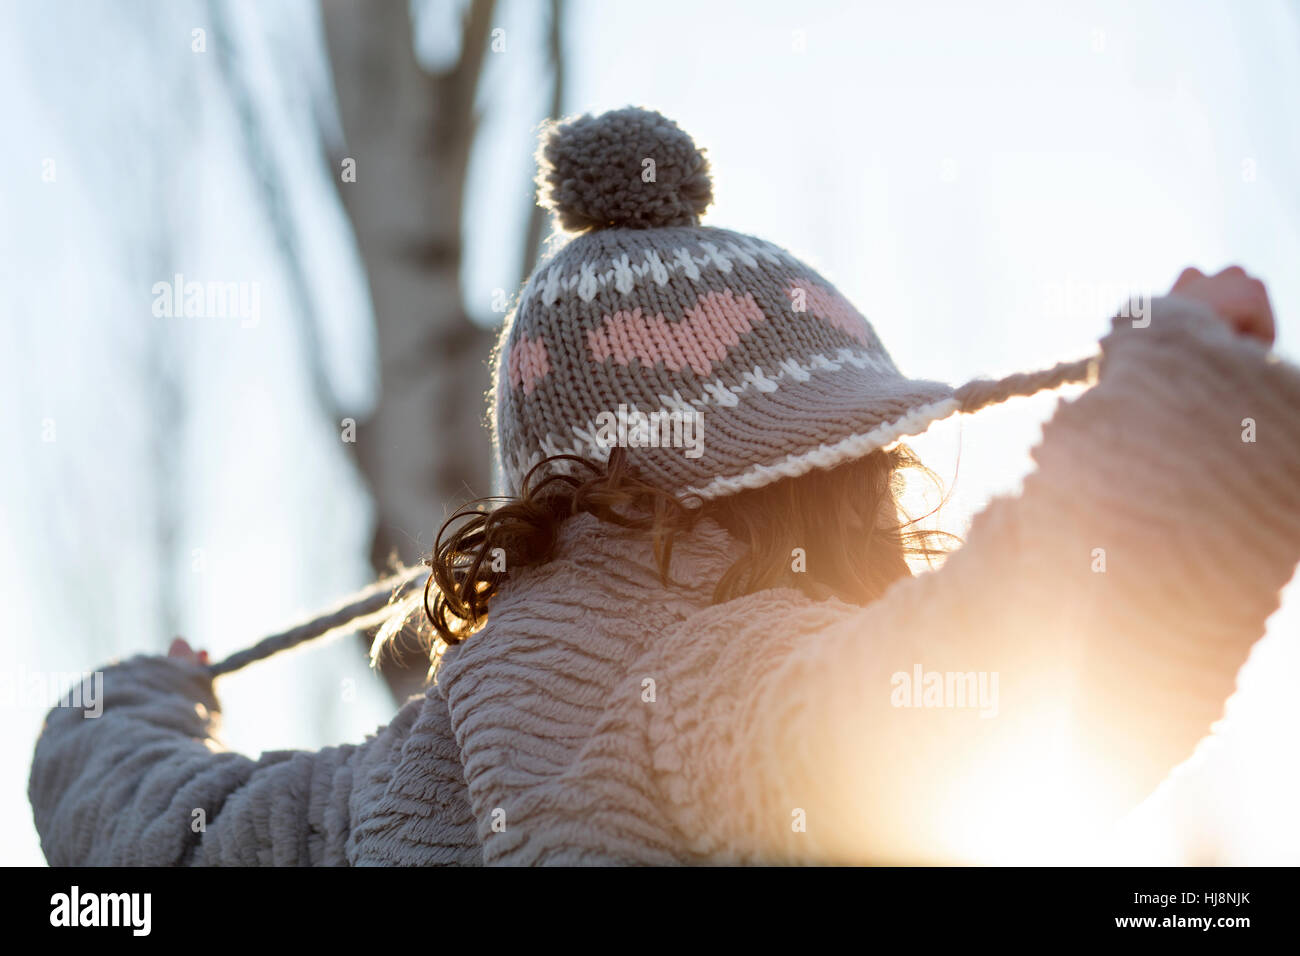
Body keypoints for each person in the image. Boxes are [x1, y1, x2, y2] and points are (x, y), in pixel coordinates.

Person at [29, 108, 1300, 865]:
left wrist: (128, 700)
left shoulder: (377, 788)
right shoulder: (724, 696)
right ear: (819, 486)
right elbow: (1019, 678)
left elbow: (169, 831)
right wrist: (1185, 410)